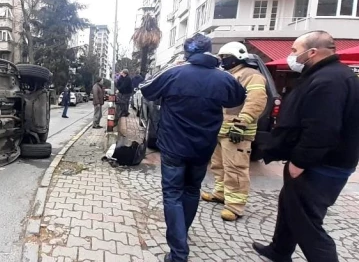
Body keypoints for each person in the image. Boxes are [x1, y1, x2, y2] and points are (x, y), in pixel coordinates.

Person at [139, 34, 246, 262]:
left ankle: (179, 252)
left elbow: (146, 89)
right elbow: (237, 98)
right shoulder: (223, 77)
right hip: (203, 147)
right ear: (209, 51)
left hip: (173, 147)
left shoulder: (175, 72)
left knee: (172, 194)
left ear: (187, 53)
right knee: (191, 190)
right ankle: (181, 235)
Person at [253, 31, 359, 262]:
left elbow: (322, 129)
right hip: (317, 162)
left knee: (307, 223)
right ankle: (279, 250)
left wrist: (300, 162)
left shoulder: (329, 81)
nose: (292, 55)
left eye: (294, 50)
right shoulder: (329, 75)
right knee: (289, 207)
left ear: (311, 52)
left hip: (321, 166)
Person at [201, 42, 268, 221]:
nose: (222, 61)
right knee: (218, 165)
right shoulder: (228, 75)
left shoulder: (251, 76)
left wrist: (242, 123)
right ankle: (221, 193)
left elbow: (256, 102)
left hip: (237, 131)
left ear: (236, 57)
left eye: (225, 57)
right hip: (221, 130)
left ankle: (235, 206)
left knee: (236, 168)